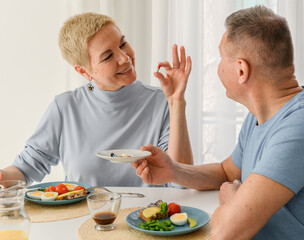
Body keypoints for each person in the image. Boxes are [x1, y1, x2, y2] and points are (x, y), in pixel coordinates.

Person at [132, 5, 304, 239]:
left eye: (220, 59)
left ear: (241, 70)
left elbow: (227, 233)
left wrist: (233, 201)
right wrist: (174, 170)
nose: (218, 68)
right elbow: (227, 173)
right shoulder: (260, 116)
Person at [0, 12, 193, 187]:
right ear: (84, 71)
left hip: (148, 220)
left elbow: (180, 181)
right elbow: (26, 168)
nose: (125, 58)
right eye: (108, 56)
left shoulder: (161, 101)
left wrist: (177, 102)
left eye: (123, 44)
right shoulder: (65, 107)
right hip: (82, 219)